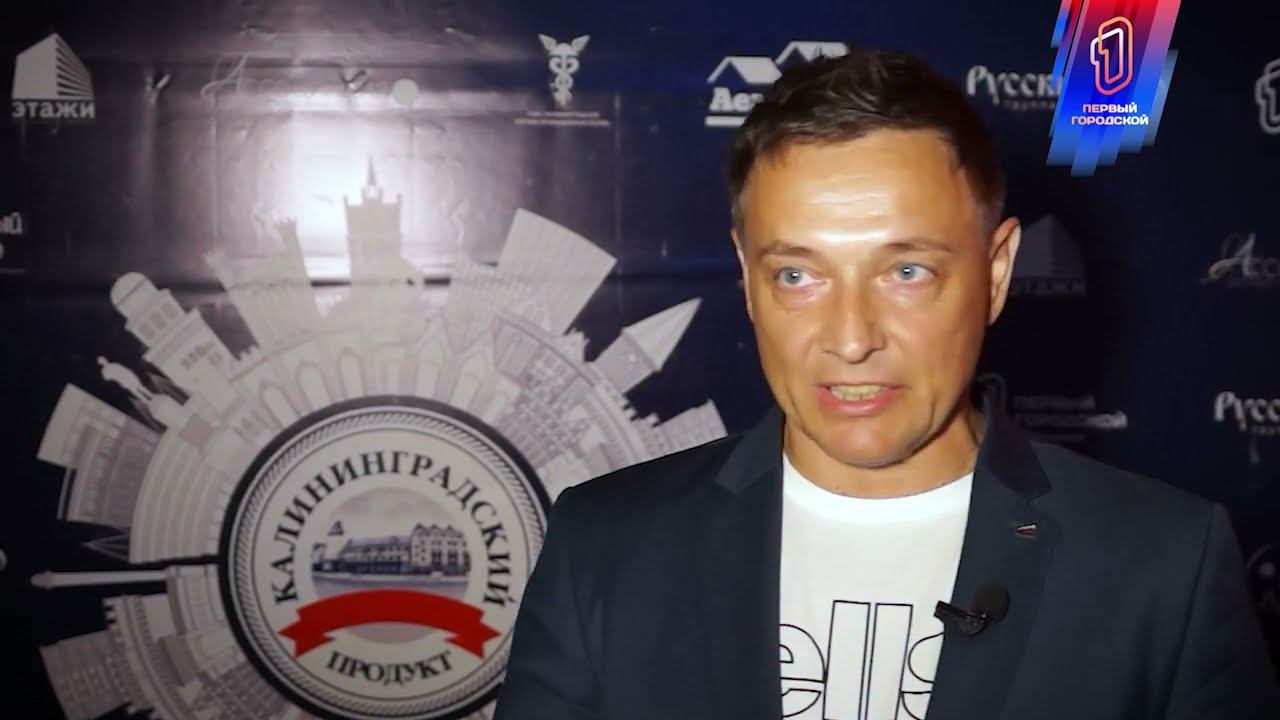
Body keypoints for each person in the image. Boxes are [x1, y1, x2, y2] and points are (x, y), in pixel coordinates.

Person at [493, 48, 1280, 720]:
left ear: (996, 272)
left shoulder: (1164, 566)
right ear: (746, 276)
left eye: (907, 272)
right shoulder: (603, 546)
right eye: (797, 274)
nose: (851, 338)